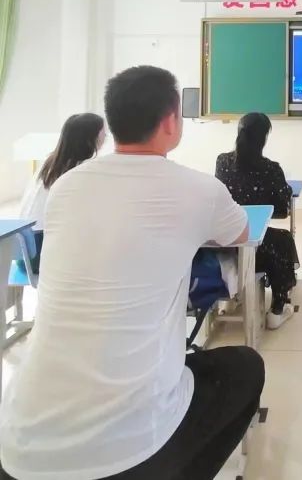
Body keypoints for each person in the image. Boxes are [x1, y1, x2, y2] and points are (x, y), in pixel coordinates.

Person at [0, 66, 263, 480]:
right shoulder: (199, 190)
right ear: (171, 121)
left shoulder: (67, 186)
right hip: (131, 451)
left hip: (18, 444)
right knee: (245, 367)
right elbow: (242, 233)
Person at [215, 112, 299, 330]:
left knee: (271, 240)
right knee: (283, 239)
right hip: (257, 250)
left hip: (224, 245)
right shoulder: (271, 169)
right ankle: (278, 308)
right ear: (263, 139)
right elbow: (282, 210)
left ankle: (228, 298)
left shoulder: (222, 162)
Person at [17, 113, 105, 271]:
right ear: (89, 138)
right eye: (102, 132)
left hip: (22, 251)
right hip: (42, 254)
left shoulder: (51, 163)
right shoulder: (81, 170)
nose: (105, 136)